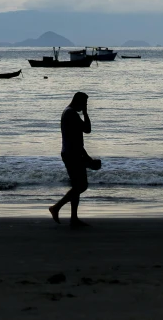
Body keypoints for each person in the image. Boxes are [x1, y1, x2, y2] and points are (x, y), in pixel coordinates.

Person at [49, 91, 102, 228]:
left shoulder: (69, 112)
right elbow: (87, 129)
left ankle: (73, 218)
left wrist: (87, 157)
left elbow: (76, 138)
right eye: (84, 103)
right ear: (78, 101)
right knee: (81, 186)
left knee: (77, 186)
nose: (85, 106)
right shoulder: (71, 113)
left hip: (73, 153)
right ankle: (56, 207)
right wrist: (85, 113)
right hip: (72, 154)